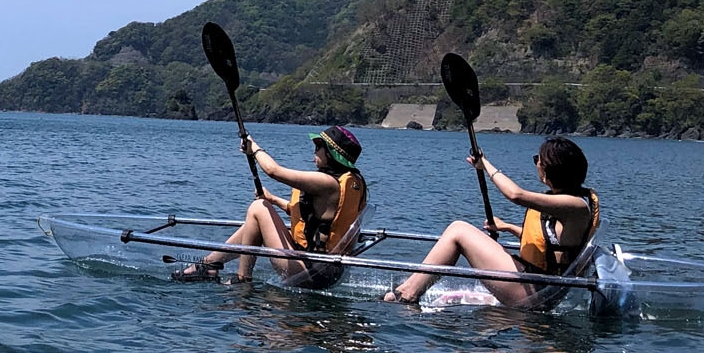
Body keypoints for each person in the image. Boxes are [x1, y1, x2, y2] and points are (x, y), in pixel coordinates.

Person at [384, 136, 600, 306]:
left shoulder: (576, 206)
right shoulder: (568, 200)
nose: (536, 164)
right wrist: (506, 227)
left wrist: (485, 164)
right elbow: (554, 244)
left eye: (538, 160)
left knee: (458, 230)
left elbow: (516, 195)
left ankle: (407, 294)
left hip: (537, 291)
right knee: (460, 230)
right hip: (538, 284)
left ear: (549, 169)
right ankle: (410, 289)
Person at [175, 125, 367, 283]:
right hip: (329, 272)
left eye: (318, 148)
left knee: (258, 208)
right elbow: (309, 218)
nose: (314, 153)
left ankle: (242, 279)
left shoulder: (327, 183)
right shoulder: (349, 183)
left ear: (332, 154)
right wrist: (273, 199)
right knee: (260, 215)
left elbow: (273, 171)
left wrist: (254, 148)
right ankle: (209, 265)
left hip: (309, 272)